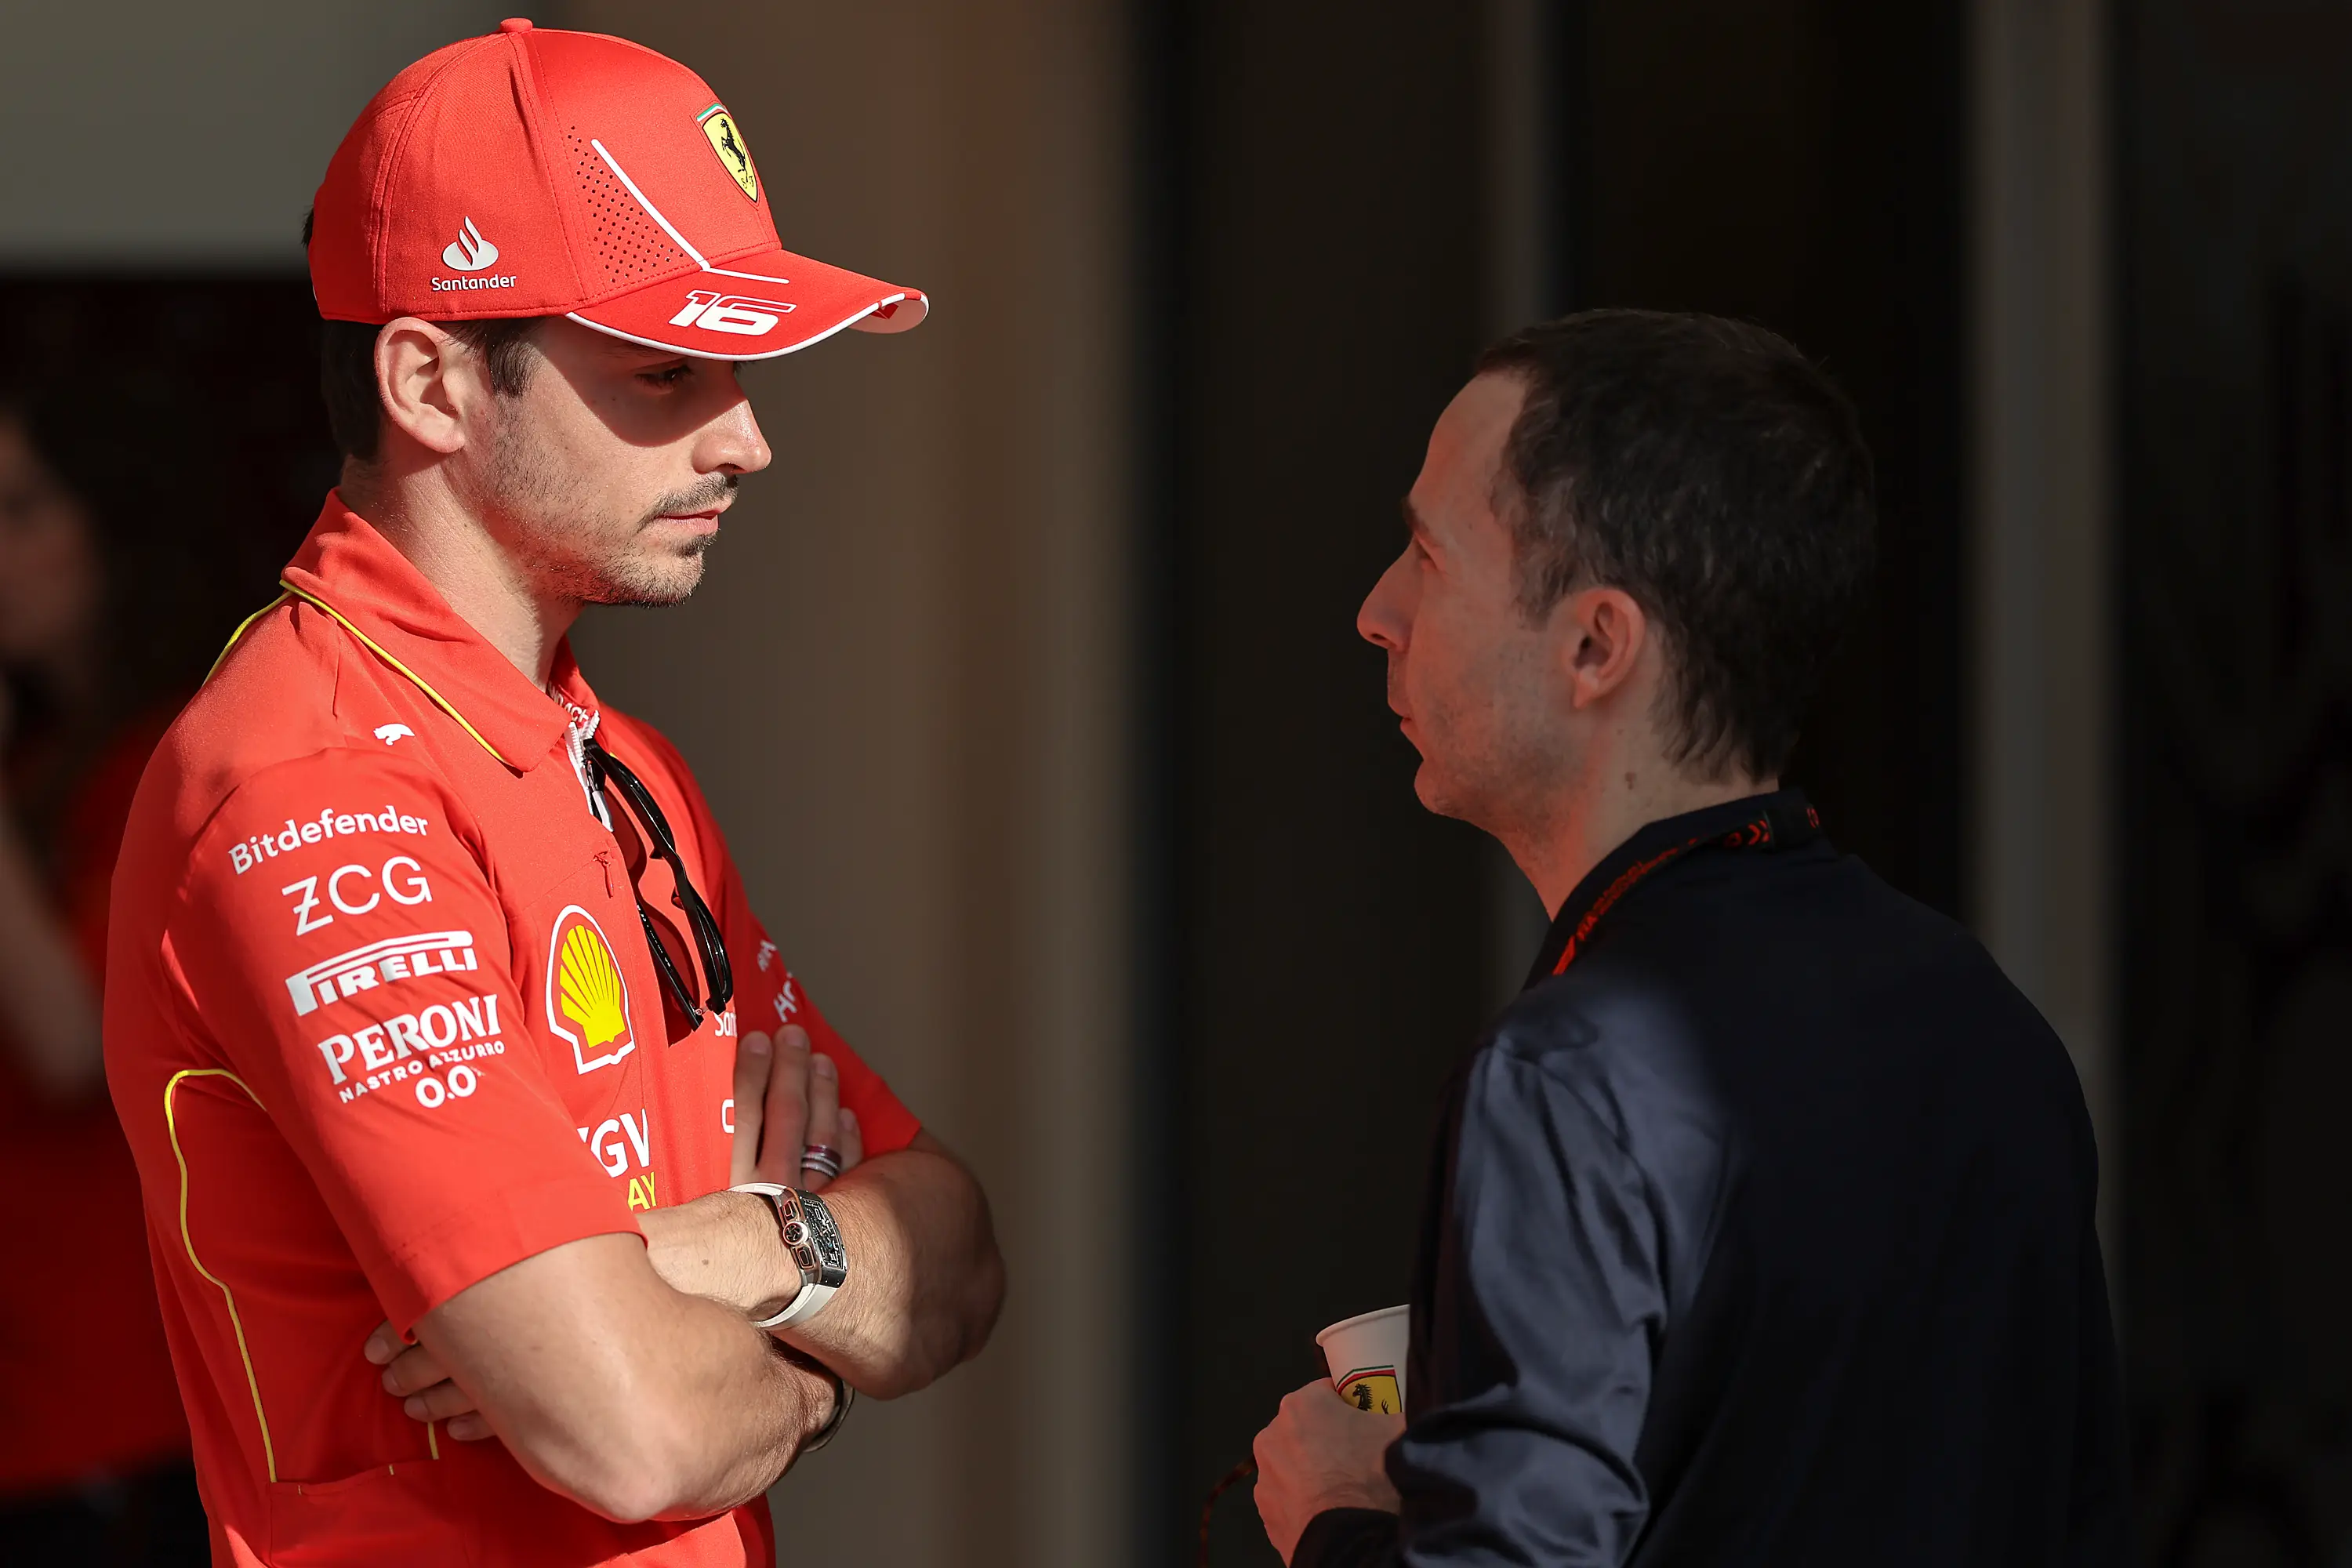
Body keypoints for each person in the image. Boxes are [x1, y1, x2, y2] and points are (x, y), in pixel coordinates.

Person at [104, 21, 1003, 1566]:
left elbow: (954, 1261)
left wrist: (733, 1249)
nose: (749, 439)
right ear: (431, 381)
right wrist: (808, 1334)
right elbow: (632, 1428)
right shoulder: (304, 784)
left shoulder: (622, 766)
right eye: (667, 374)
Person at [1250, 310, 2128, 1566]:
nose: (1376, 611)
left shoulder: (1570, 1077)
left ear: (1597, 646)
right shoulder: (1985, 1024)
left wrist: (1339, 1515)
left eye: (1429, 557)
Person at [0, 376, 276, 1565]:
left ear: (106, 536)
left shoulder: (169, 766)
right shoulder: (34, 771)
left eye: (15, 510)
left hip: (106, 1410)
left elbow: (69, 1045)